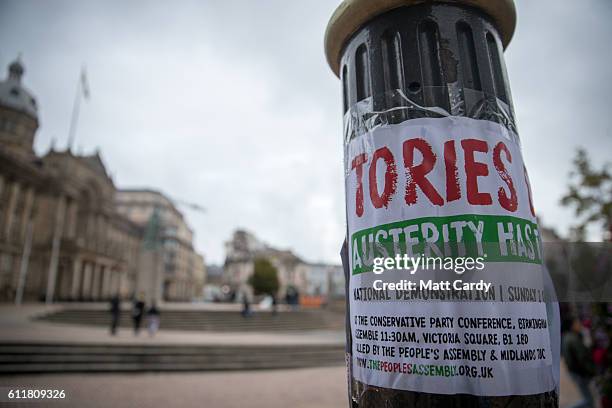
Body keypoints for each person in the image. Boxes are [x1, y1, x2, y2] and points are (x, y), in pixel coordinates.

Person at [562, 317, 596, 408]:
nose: (579, 325)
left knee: (589, 399)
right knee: (589, 400)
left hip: (575, 372)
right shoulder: (573, 338)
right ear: (572, 326)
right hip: (579, 372)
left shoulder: (567, 337)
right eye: (577, 323)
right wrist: (590, 371)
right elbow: (582, 357)